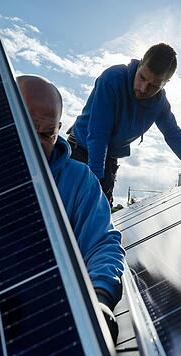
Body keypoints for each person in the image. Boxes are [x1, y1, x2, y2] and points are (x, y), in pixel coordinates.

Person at [16, 75, 124, 342]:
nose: (37, 143)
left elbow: (101, 243)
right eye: (27, 129)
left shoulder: (79, 181)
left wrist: (99, 298)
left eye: (46, 134)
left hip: (45, 326)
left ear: (59, 129)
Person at [68, 43, 181, 205]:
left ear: (166, 83)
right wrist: (95, 184)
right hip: (80, 150)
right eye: (142, 78)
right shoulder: (112, 79)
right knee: (73, 208)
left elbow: (174, 135)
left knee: (98, 217)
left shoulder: (160, 103)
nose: (143, 89)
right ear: (140, 63)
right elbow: (98, 134)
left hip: (109, 158)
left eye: (154, 85)